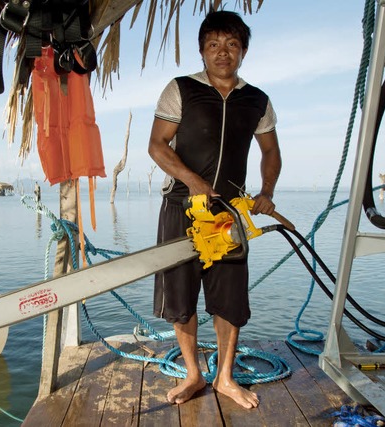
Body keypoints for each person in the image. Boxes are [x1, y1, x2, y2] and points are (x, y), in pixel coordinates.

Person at [148, 11, 281, 408]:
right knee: (180, 296)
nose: (222, 53)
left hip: (227, 214)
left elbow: (271, 150)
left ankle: (224, 377)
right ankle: (193, 375)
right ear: (202, 50)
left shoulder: (257, 100)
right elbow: (157, 145)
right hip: (182, 207)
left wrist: (267, 190)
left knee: (229, 297)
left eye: (232, 45)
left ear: (242, 51)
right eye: (213, 45)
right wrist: (194, 182)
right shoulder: (181, 89)